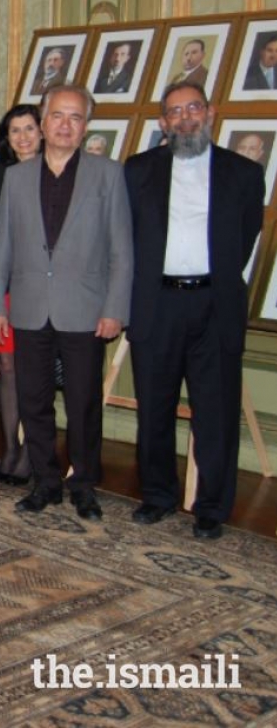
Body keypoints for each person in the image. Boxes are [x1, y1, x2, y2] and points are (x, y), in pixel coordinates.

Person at [0, 85, 133, 521]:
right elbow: (1, 247)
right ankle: (46, 482)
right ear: (44, 121)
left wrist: (114, 309)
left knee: (84, 403)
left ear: (85, 127)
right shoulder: (15, 177)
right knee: (33, 401)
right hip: (29, 308)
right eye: (58, 116)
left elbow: (121, 251)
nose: (65, 125)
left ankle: (83, 484)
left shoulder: (107, 174)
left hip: (86, 312)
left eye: (75, 118)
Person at [125, 82, 265, 539]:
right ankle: (159, 495)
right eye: (174, 112)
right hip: (157, 302)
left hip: (214, 304)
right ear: (163, 123)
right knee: (155, 406)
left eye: (193, 108)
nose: (185, 118)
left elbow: (244, 238)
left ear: (210, 112)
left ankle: (211, 506)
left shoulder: (244, 173)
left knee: (215, 410)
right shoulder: (139, 170)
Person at [0, 104, 42, 486]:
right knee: (6, 369)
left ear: (42, 131)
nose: (22, 137)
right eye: (14, 130)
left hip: (41, 290)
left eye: (29, 128)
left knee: (34, 373)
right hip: (2, 287)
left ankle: (32, 451)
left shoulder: (56, 174)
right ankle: (10, 451)